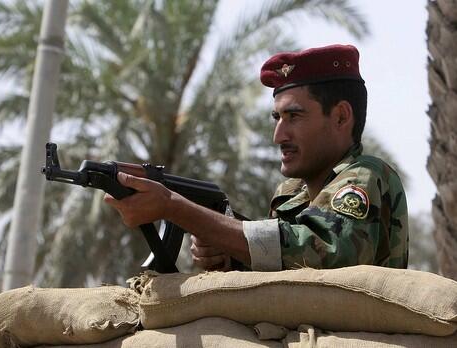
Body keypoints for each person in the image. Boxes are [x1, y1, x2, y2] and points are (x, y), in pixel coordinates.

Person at [104, 44, 409, 272]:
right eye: (276, 117)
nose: (278, 135)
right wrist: (228, 253)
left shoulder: (365, 176)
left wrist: (174, 207)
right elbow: (283, 275)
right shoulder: (290, 194)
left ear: (341, 117)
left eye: (294, 116)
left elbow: (321, 252)